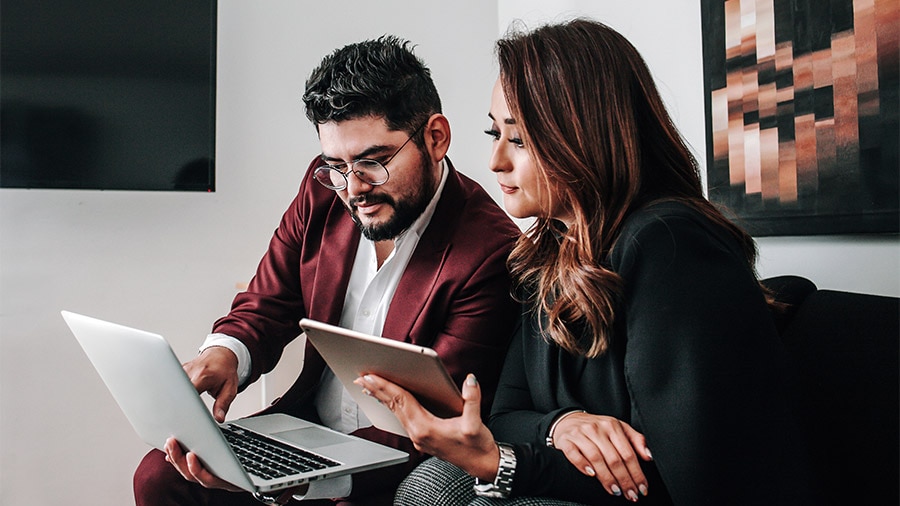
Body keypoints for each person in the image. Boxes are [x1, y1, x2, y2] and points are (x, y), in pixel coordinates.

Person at [357, 19, 813, 505]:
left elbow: (689, 479)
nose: (494, 162)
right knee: (430, 485)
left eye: (520, 140)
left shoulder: (669, 245)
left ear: (582, 137)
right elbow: (507, 411)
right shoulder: (549, 249)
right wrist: (561, 423)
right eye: (495, 132)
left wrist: (505, 464)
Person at [133, 35, 521, 506]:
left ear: (436, 138)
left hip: (394, 467)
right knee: (160, 475)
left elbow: (436, 424)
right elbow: (268, 301)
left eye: (372, 163)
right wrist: (227, 354)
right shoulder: (323, 191)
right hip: (308, 430)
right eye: (335, 165)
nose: (353, 189)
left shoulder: (490, 251)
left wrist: (298, 479)